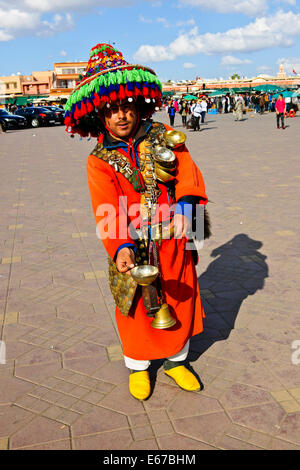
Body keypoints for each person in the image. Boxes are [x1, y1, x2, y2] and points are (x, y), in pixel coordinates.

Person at [64, 43, 210, 401]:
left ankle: (177, 361)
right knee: (134, 307)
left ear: (137, 104)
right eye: (112, 110)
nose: (121, 116)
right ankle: (138, 366)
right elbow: (104, 205)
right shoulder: (99, 159)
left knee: (178, 299)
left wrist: (187, 213)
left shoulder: (164, 137)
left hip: (173, 238)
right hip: (131, 241)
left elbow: (188, 176)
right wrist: (120, 248)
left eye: (126, 106)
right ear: (100, 115)